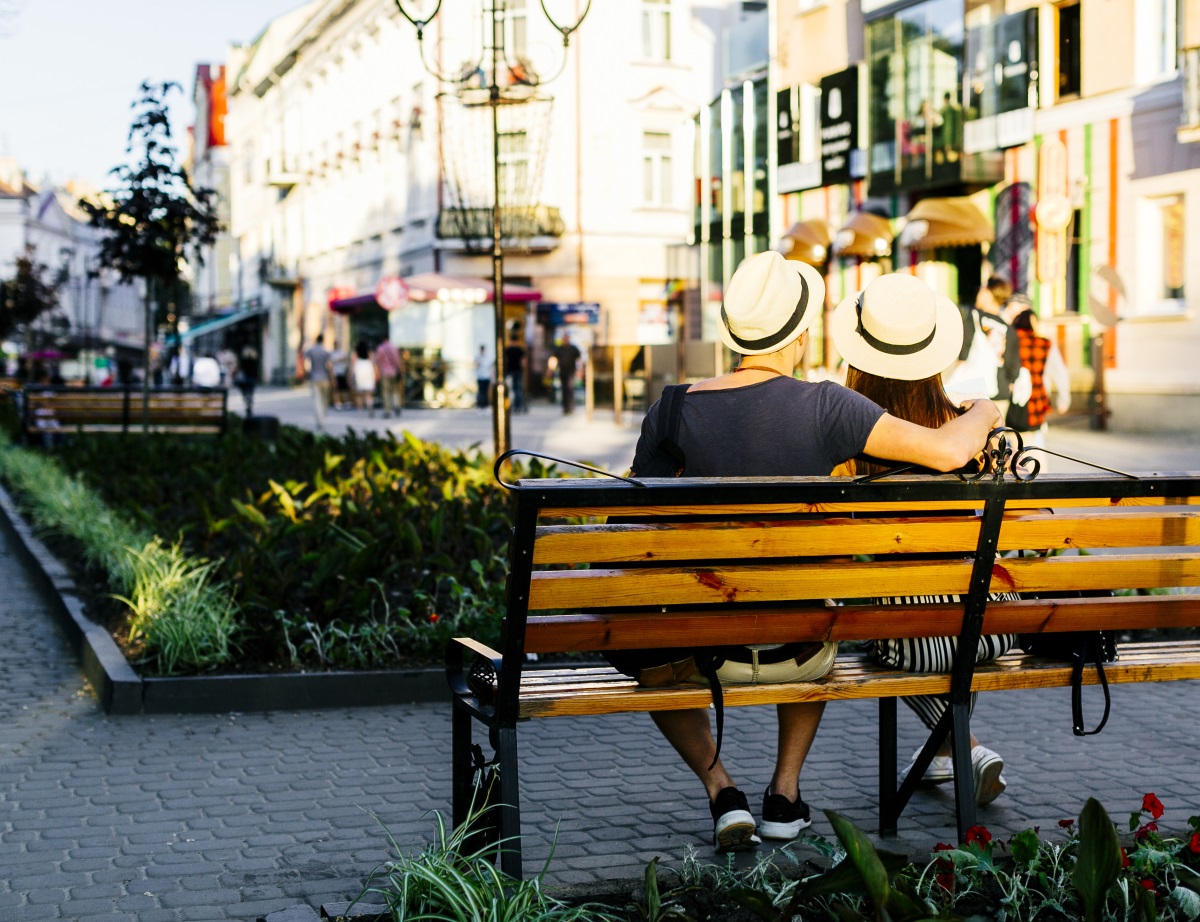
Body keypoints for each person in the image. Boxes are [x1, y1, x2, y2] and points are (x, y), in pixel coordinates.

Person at [629, 251, 1000, 853]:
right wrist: (982, 408)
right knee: (818, 608)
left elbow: (641, 535)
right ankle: (784, 792)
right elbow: (948, 452)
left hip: (700, 652)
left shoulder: (670, 409)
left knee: (647, 650)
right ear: (800, 335)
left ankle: (722, 791)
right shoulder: (830, 406)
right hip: (800, 648)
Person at [830, 272, 1017, 808]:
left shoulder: (849, 437)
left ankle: (966, 749)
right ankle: (946, 754)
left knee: (901, 637)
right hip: (992, 623)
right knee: (961, 613)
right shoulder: (967, 432)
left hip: (910, 637)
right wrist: (984, 409)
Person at [946, 276, 1020, 416]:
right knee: (995, 437)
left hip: (973, 393)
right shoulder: (1009, 329)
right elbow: (1013, 366)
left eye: (982, 289)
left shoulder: (974, 317)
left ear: (989, 293)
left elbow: (964, 351)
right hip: (1000, 392)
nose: (978, 292)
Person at [1005, 302, 1071, 450]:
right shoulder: (1044, 343)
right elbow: (1060, 372)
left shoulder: (1011, 341)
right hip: (1036, 400)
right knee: (1032, 444)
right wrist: (1064, 399)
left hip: (1012, 399)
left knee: (1012, 443)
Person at [303, 335, 333, 431]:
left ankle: (320, 420)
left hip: (314, 377)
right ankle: (323, 417)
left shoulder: (311, 351)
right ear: (323, 340)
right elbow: (329, 366)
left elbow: (306, 364)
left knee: (317, 400)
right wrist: (332, 377)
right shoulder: (326, 352)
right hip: (325, 378)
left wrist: (308, 373)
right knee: (324, 400)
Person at [374, 337, 403, 418]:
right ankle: (396, 405)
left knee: (386, 392)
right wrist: (400, 371)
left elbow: (378, 362)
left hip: (384, 373)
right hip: (394, 372)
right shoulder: (394, 348)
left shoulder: (380, 348)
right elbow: (398, 361)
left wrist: (377, 373)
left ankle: (387, 411)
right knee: (395, 390)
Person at [554, 336, 581, 414]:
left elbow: (578, 359)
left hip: (571, 372)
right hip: (562, 371)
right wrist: (550, 369)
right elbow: (554, 359)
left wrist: (580, 369)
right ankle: (565, 408)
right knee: (564, 390)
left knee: (570, 389)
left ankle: (571, 407)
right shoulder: (559, 349)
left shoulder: (573, 349)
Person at [352, 339, 377, 416]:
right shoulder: (369, 353)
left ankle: (360, 412)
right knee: (368, 394)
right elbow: (373, 364)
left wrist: (351, 377)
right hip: (367, 369)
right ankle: (370, 406)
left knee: (359, 395)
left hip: (359, 369)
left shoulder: (355, 354)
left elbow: (352, 365)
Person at [504, 333, 527, 413]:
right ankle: (518, 406)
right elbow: (523, 362)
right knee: (518, 389)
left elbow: (505, 361)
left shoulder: (507, 350)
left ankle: (509, 406)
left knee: (510, 390)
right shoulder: (519, 350)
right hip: (518, 371)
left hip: (510, 371)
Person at [236, 346, 260, 417]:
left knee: (245, 393)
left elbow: (240, 369)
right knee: (250, 393)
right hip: (252, 379)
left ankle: (247, 404)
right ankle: (249, 404)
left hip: (245, 379)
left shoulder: (243, 360)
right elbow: (256, 371)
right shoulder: (255, 360)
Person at [330, 342, 351, 410]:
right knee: (336, 389)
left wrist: (336, 360)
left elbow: (345, 359)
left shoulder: (342, 352)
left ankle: (346, 403)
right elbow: (330, 363)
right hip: (335, 373)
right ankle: (338, 403)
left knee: (344, 389)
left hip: (342, 372)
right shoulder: (332, 353)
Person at [474, 345, 491, 411]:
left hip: (486, 377)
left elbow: (489, 366)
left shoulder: (487, 357)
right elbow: (475, 365)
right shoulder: (478, 357)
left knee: (485, 392)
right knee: (481, 392)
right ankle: (480, 406)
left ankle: (485, 406)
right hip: (480, 376)